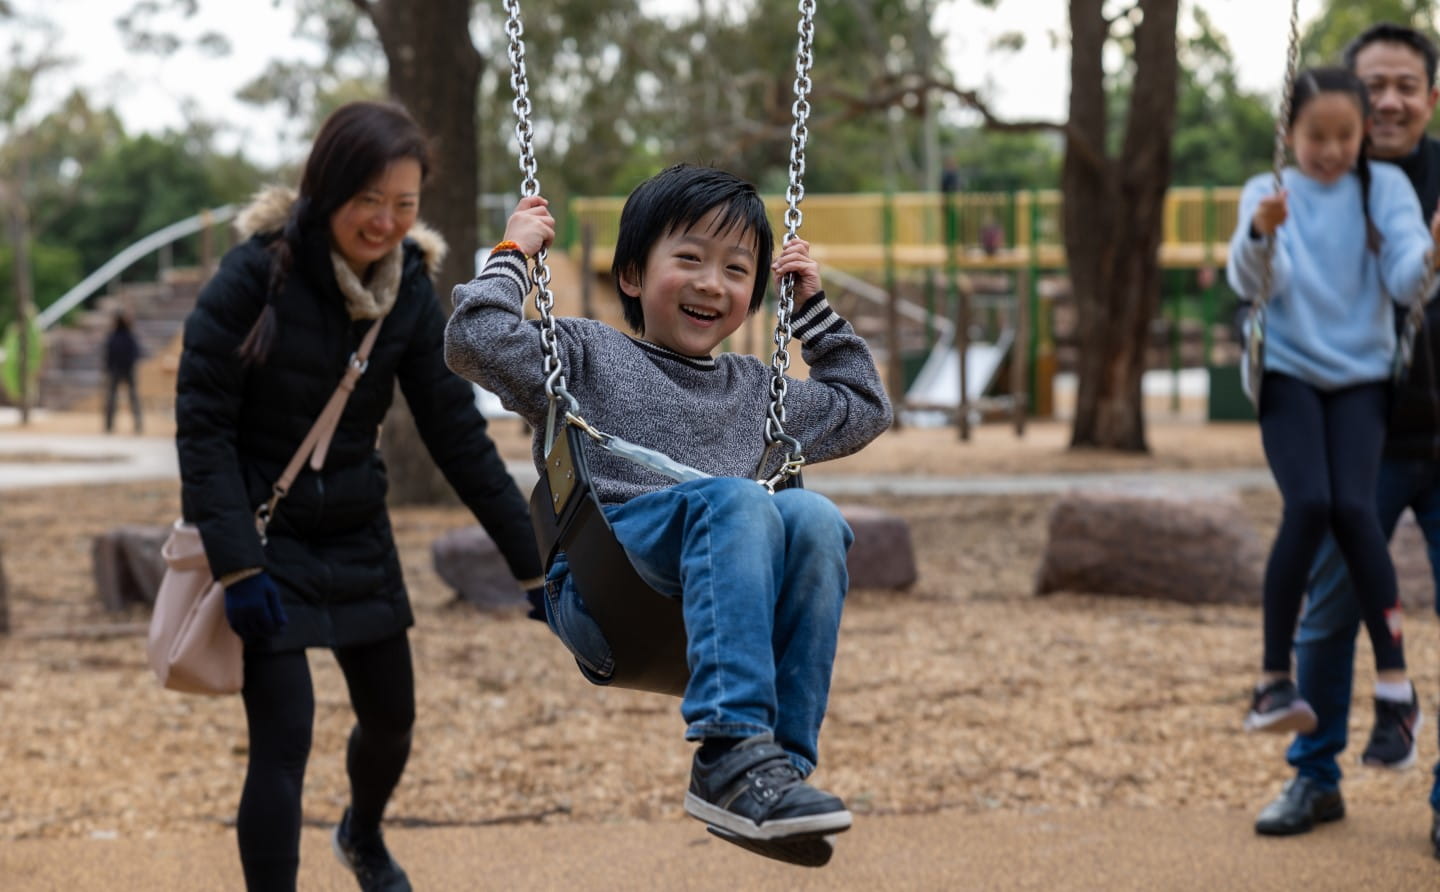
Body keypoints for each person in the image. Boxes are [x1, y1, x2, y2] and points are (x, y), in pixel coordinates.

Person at [443, 164, 893, 863]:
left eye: (738, 269)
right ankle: (731, 753)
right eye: (689, 259)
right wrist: (511, 259)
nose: (713, 282)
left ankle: (773, 775)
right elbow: (473, 340)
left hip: (715, 606)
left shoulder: (756, 390)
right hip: (606, 585)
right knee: (741, 499)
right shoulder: (587, 352)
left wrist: (812, 312)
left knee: (815, 520)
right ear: (631, 276)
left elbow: (865, 408)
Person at [174, 101, 545, 892]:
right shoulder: (253, 275)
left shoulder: (408, 284)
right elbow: (202, 429)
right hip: (262, 537)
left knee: (391, 718)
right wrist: (238, 569)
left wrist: (533, 564)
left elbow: (454, 430)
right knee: (284, 739)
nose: (385, 222)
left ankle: (362, 836)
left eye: (404, 206)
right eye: (368, 202)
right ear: (325, 190)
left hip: (354, 530)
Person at [1254, 24, 1440, 857]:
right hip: (1362, 431)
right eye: (1376, 86)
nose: (1390, 100)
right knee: (1326, 618)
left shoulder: (1410, 192)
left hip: (1414, 420)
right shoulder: (1307, 182)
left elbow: (1409, 272)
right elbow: (1265, 279)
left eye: (1409, 84)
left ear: (1430, 98)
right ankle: (1314, 773)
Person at [102, 310, 143, 433]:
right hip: (126, 369)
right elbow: (136, 354)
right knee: (131, 397)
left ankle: (109, 426)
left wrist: (108, 368)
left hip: (117, 369)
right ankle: (137, 425)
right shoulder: (129, 336)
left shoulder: (114, 337)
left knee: (113, 398)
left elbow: (108, 355)